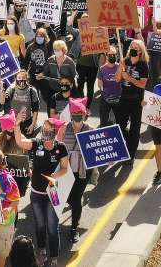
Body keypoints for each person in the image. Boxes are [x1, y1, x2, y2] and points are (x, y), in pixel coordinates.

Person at [12, 118, 69, 267]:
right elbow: (19, 142)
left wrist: (54, 177)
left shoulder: (61, 148)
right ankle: (42, 250)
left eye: (48, 129)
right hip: (36, 193)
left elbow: (65, 168)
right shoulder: (36, 144)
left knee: (52, 226)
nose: (45, 132)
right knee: (40, 225)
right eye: (43, 129)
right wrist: (17, 125)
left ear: (54, 132)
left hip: (53, 194)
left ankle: (54, 256)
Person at [61, 99, 94, 243]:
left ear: (85, 113)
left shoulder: (90, 130)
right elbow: (58, 147)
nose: (77, 115)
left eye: (79, 112)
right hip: (66, 170)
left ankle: (74, 228)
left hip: (83, 171)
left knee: (76, 198)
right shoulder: (64, 128)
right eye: (74, 112)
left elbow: (97, 152)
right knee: (68, 197)